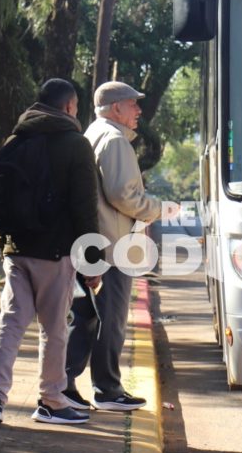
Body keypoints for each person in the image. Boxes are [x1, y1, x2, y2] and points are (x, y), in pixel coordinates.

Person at [0, 78, 101, 426]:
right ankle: (50, 400)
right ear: (68, 107)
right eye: (76, 108)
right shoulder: (75, 144)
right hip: (54, 251)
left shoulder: (16, 138)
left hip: (15, 249)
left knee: (11, 323)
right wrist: (91, 262)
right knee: (55, 328)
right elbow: (84, 208)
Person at [64, 81, 177, 411]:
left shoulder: (95, 134)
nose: (139, 110)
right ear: (116, 108)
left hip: (95, 243)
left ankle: (67, 384)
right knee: (109, 320)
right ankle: (107, 389)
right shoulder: (114, 141)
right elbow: (123, 195)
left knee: (87, 320)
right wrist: (159, 208)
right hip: (112, 247)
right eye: (133, 104)